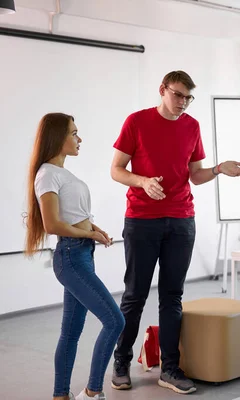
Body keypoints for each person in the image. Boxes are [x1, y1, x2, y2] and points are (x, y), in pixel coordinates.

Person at [110, 71, 240, 394]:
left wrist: (217, 169)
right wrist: (142, 181)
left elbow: (195, 176)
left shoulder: (192, 127)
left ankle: (170, 368)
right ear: (162, 90)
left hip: (181, 221)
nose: (183, 103)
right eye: (178, 95)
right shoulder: (136, 122)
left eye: (188, 98)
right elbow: (116, 169)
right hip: (142, 220)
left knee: (172, 297)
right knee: (135, 295)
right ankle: (121, 361)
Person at [25, 113, 125, 400]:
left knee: (70, 332)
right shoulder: (46, 174)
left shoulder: (63, 174)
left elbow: (75, 216)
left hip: (81, 254)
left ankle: (61, 396)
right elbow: (52, 224)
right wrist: (88, 234)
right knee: (115, 321)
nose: (79, 139)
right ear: (58, 137)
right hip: (71, 257)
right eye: (74, 133)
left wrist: (95, 229)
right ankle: (93, 392)